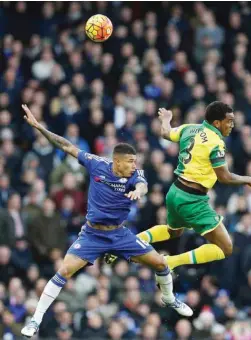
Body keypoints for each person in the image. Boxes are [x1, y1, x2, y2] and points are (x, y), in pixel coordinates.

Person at [20, 104, 192, 338]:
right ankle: (35, 320)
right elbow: (66, 145)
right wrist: (39, 127)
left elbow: (143, 184)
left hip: (119, 234)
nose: (134, 165)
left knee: (161, 264)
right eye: (130, 161)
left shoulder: (135, 176)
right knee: (64, 271)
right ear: (116, 161)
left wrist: (139, 192)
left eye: (135, 161)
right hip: (92, 235)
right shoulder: (96, 164)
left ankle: (169, 298)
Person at [105, 101, 251, 270]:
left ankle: (125, 243)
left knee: (173, 231)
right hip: (192, 199)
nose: (232, 125)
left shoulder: (190, 128)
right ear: (217, 123)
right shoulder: (215, 142)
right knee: (226, 247)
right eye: (229, 121)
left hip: (175, 192)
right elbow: (224, 177)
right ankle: (171, 262)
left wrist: (166, 120)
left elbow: (166, 133)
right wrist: (248, 179)